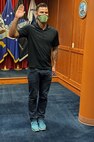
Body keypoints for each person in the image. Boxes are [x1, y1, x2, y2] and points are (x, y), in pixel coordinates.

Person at [9, 3, 59, 132]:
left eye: (46, 12)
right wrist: (16, 18)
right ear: (36, 14)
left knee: (44, 96)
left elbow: (55, 49)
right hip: (33, 70)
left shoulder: (53, 32)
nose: (44, 15)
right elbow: (12, 34)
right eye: (41, 12)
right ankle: (33, 119)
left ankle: (40, 117)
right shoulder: (29, 29)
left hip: (47, 70)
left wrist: (54, 66)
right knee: (33, 96)